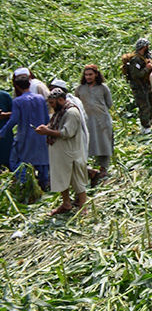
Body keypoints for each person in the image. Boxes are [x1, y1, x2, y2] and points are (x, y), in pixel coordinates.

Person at [35, 85, 88, 215]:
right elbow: (56, 125)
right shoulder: (60, 111)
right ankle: (66, 204)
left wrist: (47, 131)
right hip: (60, 153)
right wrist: (46, 127)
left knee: (77, 180)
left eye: (52, 103)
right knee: (61, 178)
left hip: (71, 152)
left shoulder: (71, 112)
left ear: (60, 100)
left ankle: (83, 207)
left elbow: (66, 133)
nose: (51, 106)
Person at [74, 65, 113, 186]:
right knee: (86, 143)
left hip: (102, 120)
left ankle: (103, 168)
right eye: (86, 75)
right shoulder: (80, 89)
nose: (88, 77)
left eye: (90, 74)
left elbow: (109, 103)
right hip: (87, 120)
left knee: (104, 142)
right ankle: (88, 169)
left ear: (96, 74)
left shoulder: (103, 88)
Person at [122, 38, 152, 134]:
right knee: (144, 106)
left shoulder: (144, 57)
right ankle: (145, 127)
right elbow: (135, 75)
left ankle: (151, 119)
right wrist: (146, 68)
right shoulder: (136, 60)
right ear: (144, 47)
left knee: (151, 102)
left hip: (146, 85)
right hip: (139, 87)